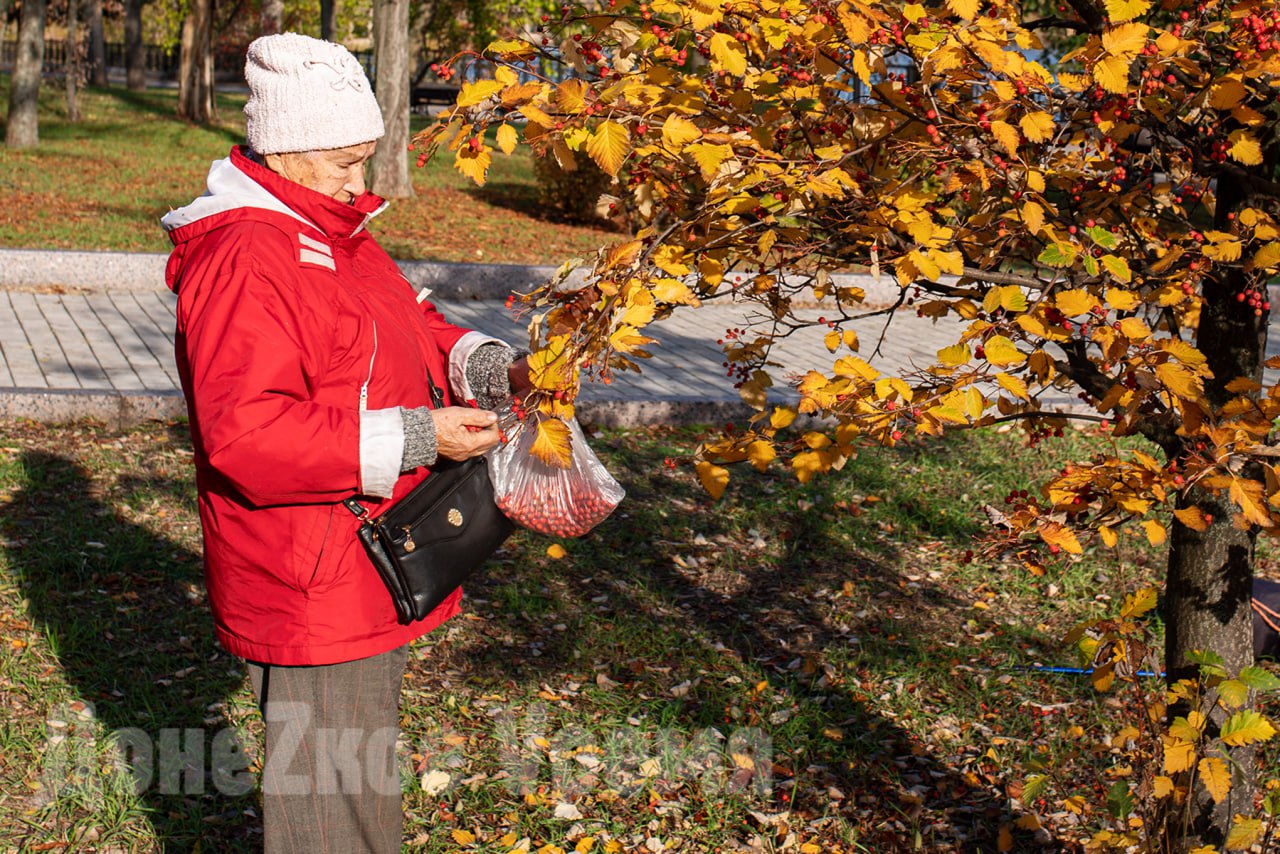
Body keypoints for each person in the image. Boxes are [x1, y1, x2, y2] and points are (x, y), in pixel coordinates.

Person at [161, 32, 529, 853]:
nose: (362, 184)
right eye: (343, 164)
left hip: (355, 558)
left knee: (353, 788)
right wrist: (417, 435)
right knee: (334, 808)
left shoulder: (328, 232)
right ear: (286, 152)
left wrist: (492, 364)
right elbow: (247, 437)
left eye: (366, 158)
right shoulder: (248, 256)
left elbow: (410, 324)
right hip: (310, 573)